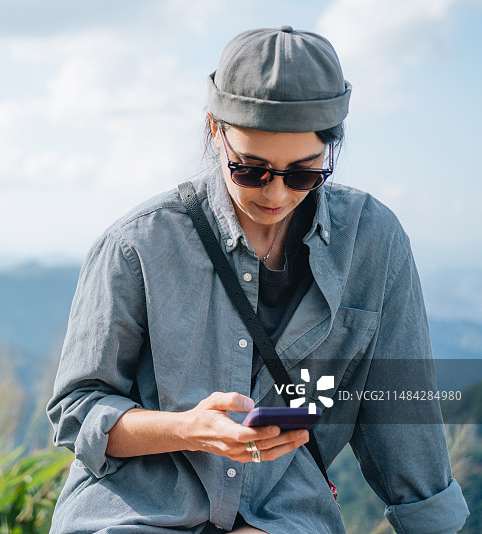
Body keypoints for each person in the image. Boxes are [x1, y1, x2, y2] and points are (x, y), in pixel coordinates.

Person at [46, 26, 470, 533]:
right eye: (250, 169)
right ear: (214, 130)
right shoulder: (138, 245)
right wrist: (189, 430)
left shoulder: (373, 242)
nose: (276, 194)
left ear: (331, 149)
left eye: (304, 173)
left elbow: (400, 408)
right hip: (137, 512)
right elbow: (77, 411)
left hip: (285, 512)